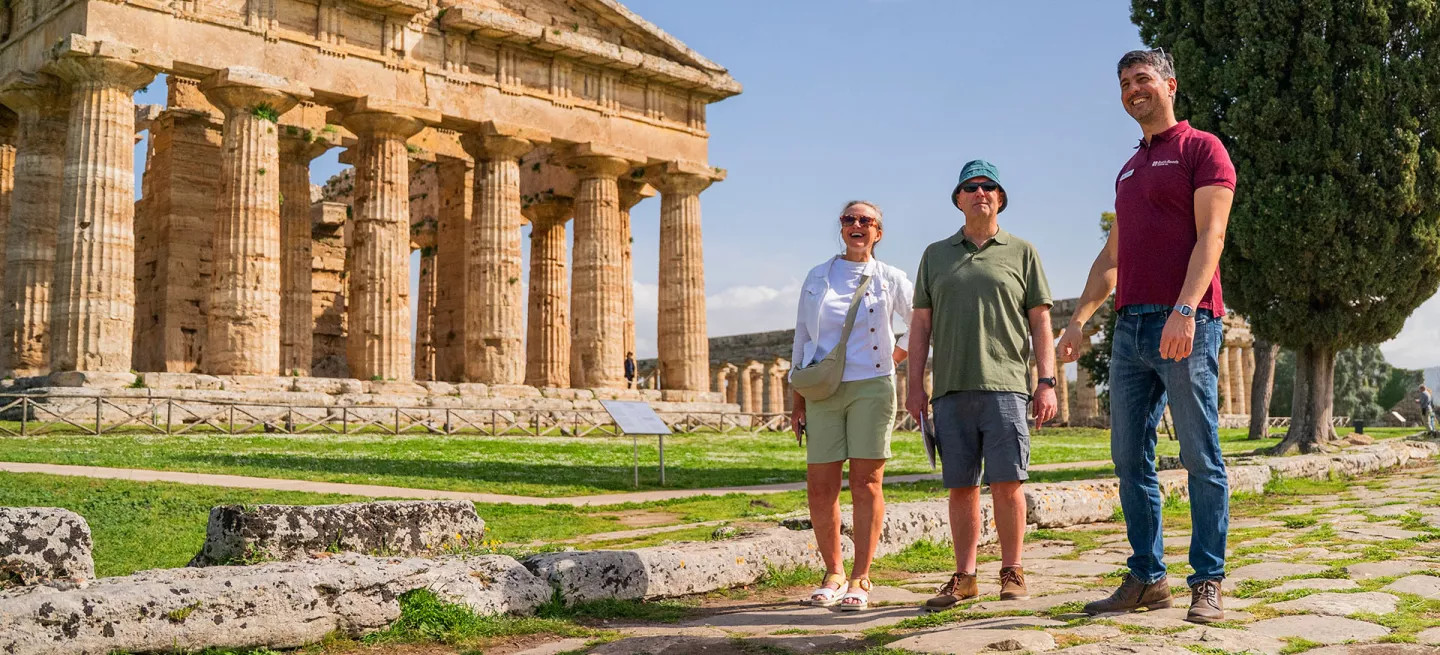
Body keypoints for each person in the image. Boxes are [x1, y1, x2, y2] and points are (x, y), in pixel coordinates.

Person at [1057, 49, 1236, 624]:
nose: (1134, 89)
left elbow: (1211, 235)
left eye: (1143, 79)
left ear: (1170, 86)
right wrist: (1080, 320)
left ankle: (1207, 580)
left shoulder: (1201, 149)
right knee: (1128, 456)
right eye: (1125, 83)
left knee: (1199, 453)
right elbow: (1113, 257)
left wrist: (1186, 309)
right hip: (1130, 328)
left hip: (1187, 320)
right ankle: (1147, 576)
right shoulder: (1128, 169)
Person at [905, 160, 1056, 611]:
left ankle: (1012, 571)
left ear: (1000, 198)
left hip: (1008, 386)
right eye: (970, 187)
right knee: (961, 486)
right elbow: (920, 328)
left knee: (1008, 482)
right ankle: (965, 576)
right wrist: (915, 387)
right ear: (958, 199)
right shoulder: (935, 255)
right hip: (950, 389)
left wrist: (1045, 382)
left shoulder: (1022, 251)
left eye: (989, 186)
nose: (980, 192)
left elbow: (1041, 324)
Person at [790, 200, 912, 611]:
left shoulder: (890, 278)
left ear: (878, 232)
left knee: (866, 482)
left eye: (866, 221)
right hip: (823, 389)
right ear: (841, 229)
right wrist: (797, 398)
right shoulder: (817, 276)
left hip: (872, 388)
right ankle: (833, 571)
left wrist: (892, 360)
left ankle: (861, 576)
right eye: (849, 219)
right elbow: (802, 339)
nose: (856, 225)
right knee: (820, 484)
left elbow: (920, 325)